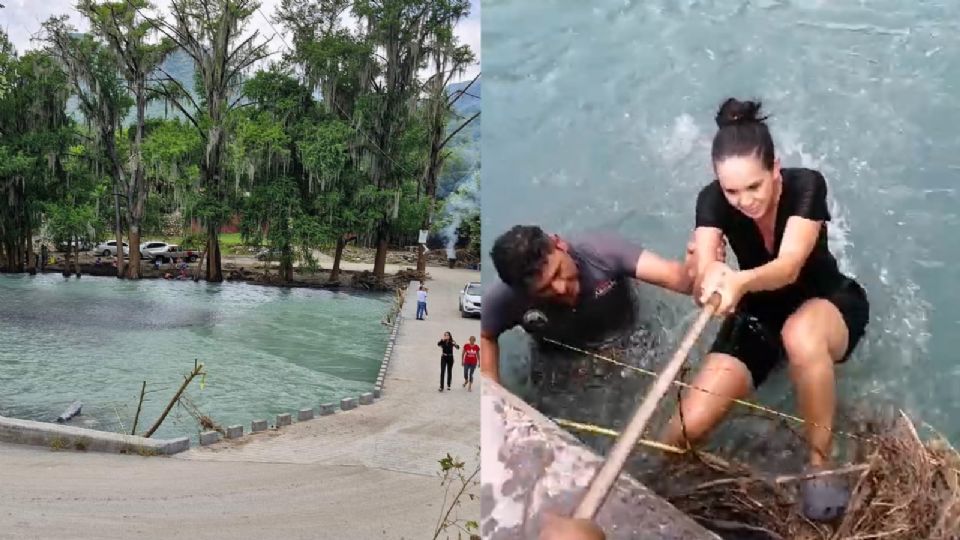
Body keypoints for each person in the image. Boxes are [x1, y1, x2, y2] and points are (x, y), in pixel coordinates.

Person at [658, 98, 870, 523]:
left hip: (826, 303)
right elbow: (703, 272)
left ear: (776, 169)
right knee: (684, 429)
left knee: (800, 335)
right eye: (732, 191)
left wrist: (737, 280)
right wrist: (708, 270)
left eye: (754, 186)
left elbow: (789, 267)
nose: (744, 201)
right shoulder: (712, 201)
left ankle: (819, 462)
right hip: (759, 313)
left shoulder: (807, 185)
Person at [480, 225, 716, 384]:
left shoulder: (601, 252)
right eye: (544, 289)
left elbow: (675, 277)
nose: (561, 288)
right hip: (562, 364)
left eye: (559, 272)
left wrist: (701, 266)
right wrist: (493, 388)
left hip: (630, 339)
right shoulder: (508, 297)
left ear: (560, 245)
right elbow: (485, 333)